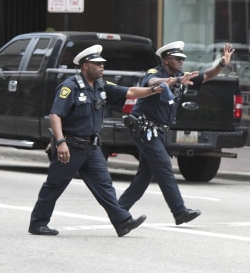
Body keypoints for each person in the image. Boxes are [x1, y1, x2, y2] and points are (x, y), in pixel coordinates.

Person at [29, 45, 164, 237]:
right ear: (85, 66)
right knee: (55, 185)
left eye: (103, 64)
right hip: (71, 146)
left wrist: (154, 90)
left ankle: (122, 222)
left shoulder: (101, 85)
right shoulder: (70, 87)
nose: (102, 67)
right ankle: (38, 223)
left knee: (105, 186)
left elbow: (131, 92)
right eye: (97, 64)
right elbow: (55, 115)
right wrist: (60, 142)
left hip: (91, 147)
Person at [118, 40, 235, 224]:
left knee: (145, 175)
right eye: (177, 58)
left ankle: (119, 210)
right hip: (144, 129)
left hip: (160, 131)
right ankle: (179, 211)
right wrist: (174, 81)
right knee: (164, 167)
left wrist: (221, 64)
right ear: (165, 60)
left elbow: (206, 76)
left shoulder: (182, 75)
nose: (181, 61)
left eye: (182, 58)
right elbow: (152, 82)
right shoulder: (155, 73)